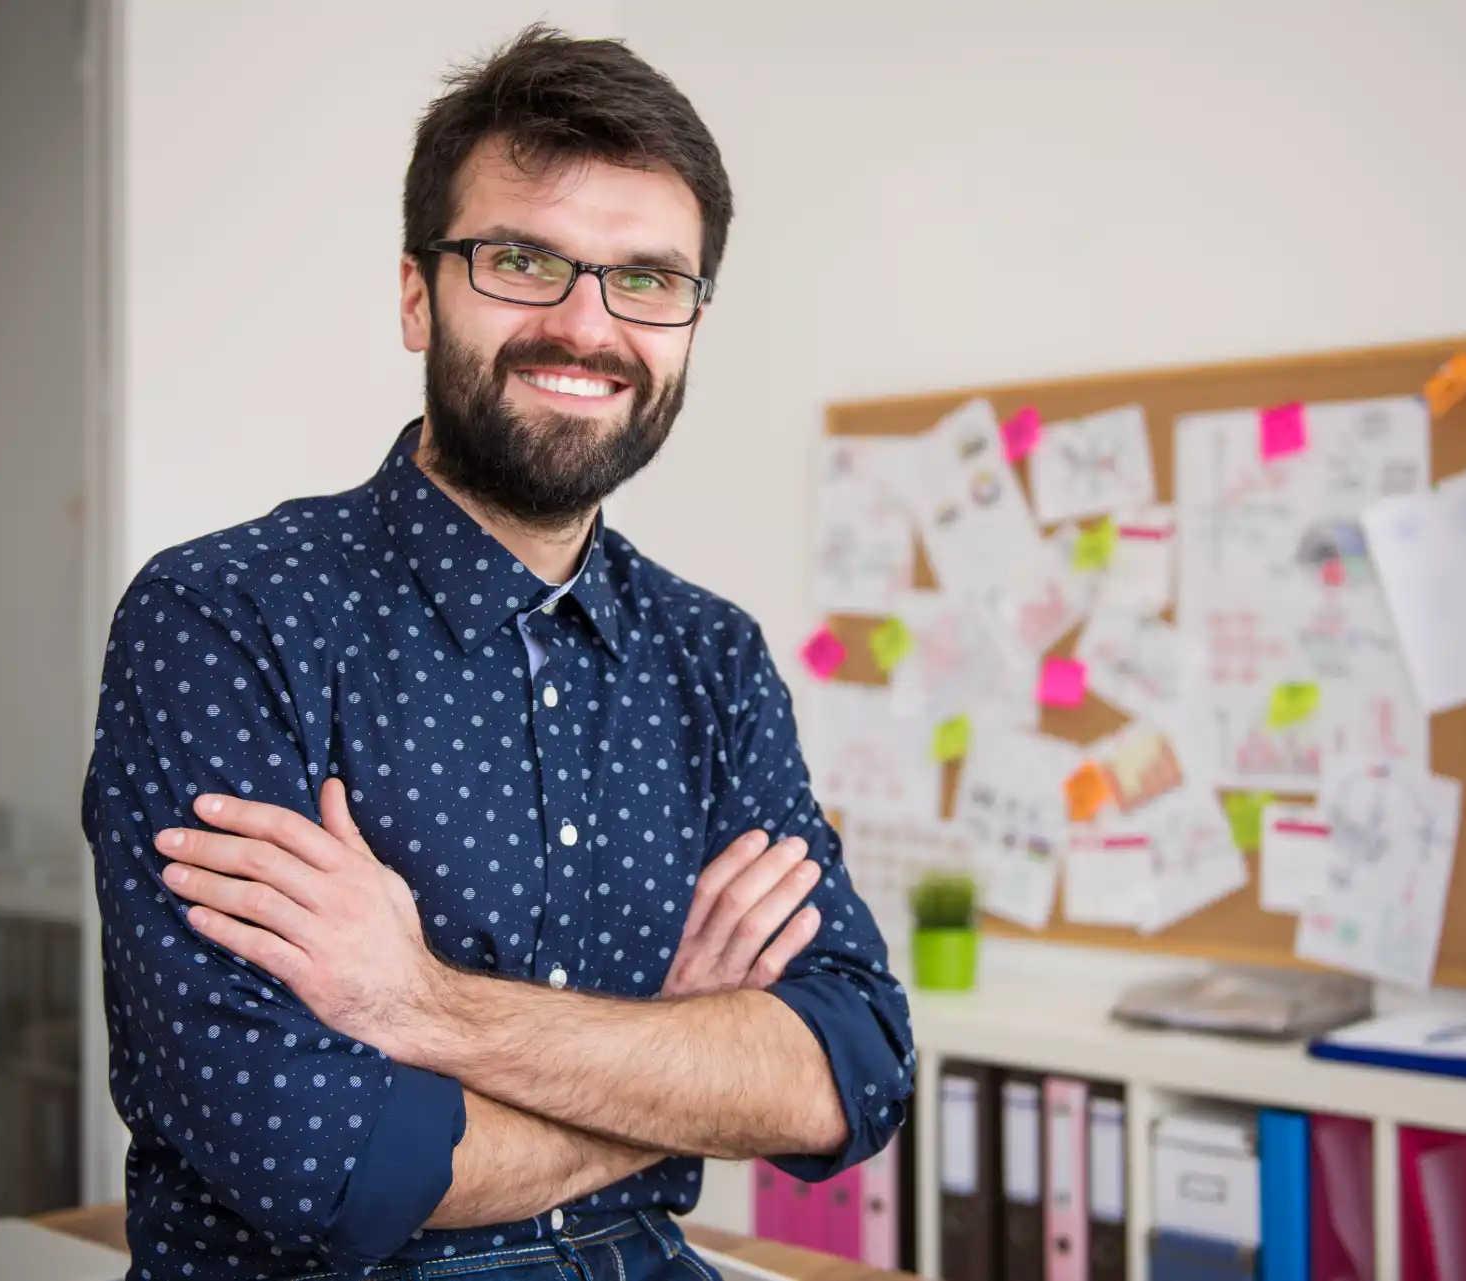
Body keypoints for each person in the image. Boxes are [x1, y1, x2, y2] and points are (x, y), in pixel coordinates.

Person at [82, 24, 914, 1280]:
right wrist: (680, 1070)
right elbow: (325, 1159)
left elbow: (850, 1070)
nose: (588, 327)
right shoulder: (227, 621)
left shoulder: (712, 659)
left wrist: (424, 1006)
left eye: (648, 279)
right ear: (417, 295)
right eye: (523, 260)